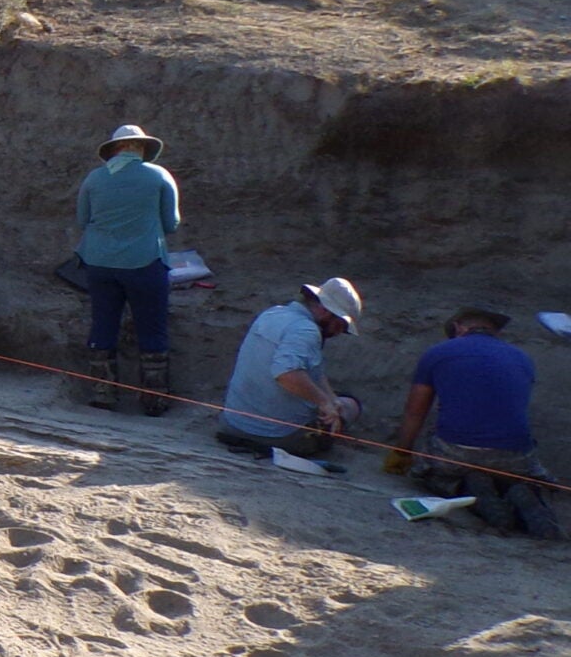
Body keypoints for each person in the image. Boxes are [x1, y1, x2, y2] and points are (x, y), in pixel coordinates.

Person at [386, 308, 561, 538]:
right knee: (523, 476)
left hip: (456, 451)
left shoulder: (438, 352)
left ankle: (469, 489)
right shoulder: (523, 359)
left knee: (432, 472)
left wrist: (402, 453)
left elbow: (415, 412)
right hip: (517, 453)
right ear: (495, 331)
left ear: (459, 328)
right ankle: (523, 490)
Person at [76, 123, 183, 414]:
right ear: (142, 148)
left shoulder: (93, 179)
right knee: (151, 328)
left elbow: (82, 219)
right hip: (145, 261)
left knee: (103, 325)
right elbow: (171, 223)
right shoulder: (158, 176)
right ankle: (154, 400)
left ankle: (103, 394)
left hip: (98, 262)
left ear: (113, 150)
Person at [215, 276, 365, 459]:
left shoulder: (272, 313)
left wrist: (331, 398)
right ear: (326, 312)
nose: (339, 332)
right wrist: (324, 403)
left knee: (338, 402)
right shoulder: (306, 331)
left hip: (232, 425)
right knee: (351, 404)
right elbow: (287, 374)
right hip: (277, 436)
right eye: (341, 325)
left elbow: (312, 369)